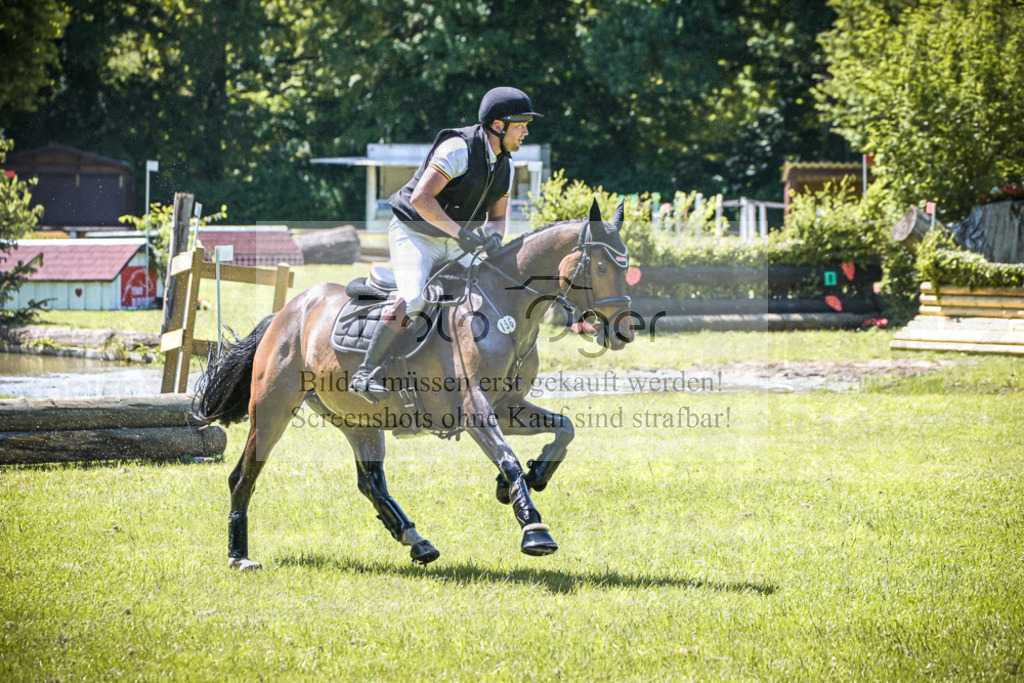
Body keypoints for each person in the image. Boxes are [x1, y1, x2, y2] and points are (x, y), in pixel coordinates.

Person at [349, 86, 541, 403]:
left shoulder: (504, 165)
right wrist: (460, 233)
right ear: (498, 125)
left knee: (493, 292)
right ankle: (365, 372)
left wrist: (493, 238)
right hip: (415, 233)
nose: (526, 131)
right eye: (520, 124)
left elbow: (497, 217)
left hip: (456, 241)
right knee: (413, 299)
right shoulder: (457, 149)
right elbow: (421, 199)